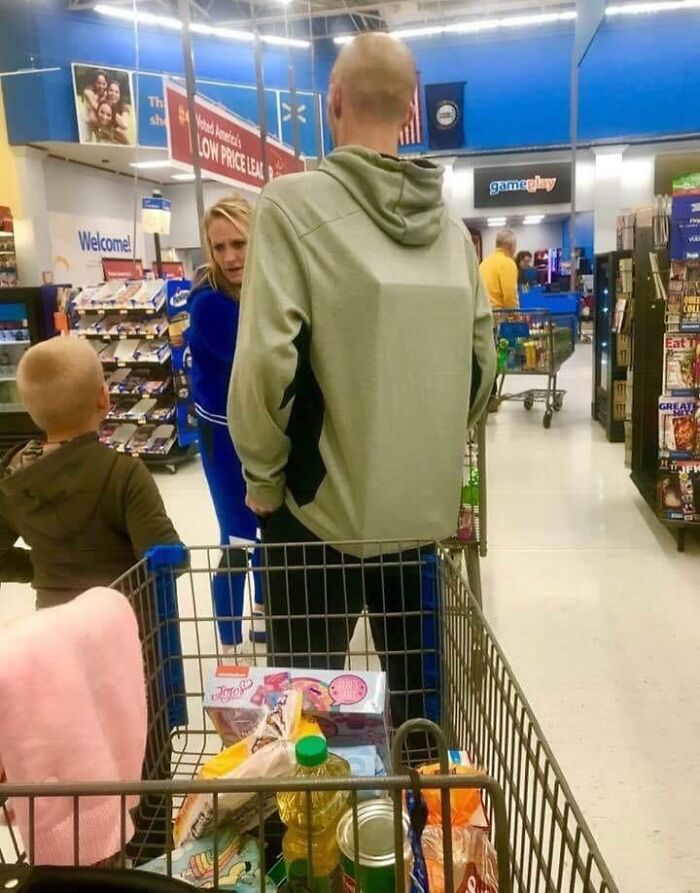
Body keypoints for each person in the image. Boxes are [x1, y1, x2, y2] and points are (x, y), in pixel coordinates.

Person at [229, 33, 496, 734]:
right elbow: (482, 364)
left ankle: (321, 831)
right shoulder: (449, 228)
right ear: (412, 111)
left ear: (334, 102)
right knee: (420, 710)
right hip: (419, 518)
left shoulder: (287, 206)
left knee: (307, 710)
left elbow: (266, 363)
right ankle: (423, 829)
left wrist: (263, 475)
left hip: (313, 514)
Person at [0, 336, 183, 859]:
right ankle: (151, 854)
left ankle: (97, 858)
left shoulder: (15, 481)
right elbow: (166, 554)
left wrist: (38, 566)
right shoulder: (122, 474)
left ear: (34, 411)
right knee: (141, 750)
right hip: (125, 641)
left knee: (79, 754)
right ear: (105, 400)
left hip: (51, 649)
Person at [188, 195, 264, 653]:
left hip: (261, 430)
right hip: (224, 435)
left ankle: (261, 616)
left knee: (268, 533)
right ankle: (229, 645)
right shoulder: (208, 304)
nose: (230, 256)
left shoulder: (265, 288)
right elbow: (256, 360)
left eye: (240, 243)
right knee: (237, 536)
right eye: (219, 247)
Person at [480, 229, 520, 310]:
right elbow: (510, 296)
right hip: (498, 314)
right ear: (511, 246)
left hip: (483, 312)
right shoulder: (507, 262)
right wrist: (517, 318)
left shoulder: (484, 263)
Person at [106, 79, 131, 145]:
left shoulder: (123, 107)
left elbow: (124, 125)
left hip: (121, 141)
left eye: (116, 92)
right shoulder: (102, 103)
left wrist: (112, 107)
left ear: (120, 95)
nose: (113, 94)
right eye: (111, 90)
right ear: (107, 91)